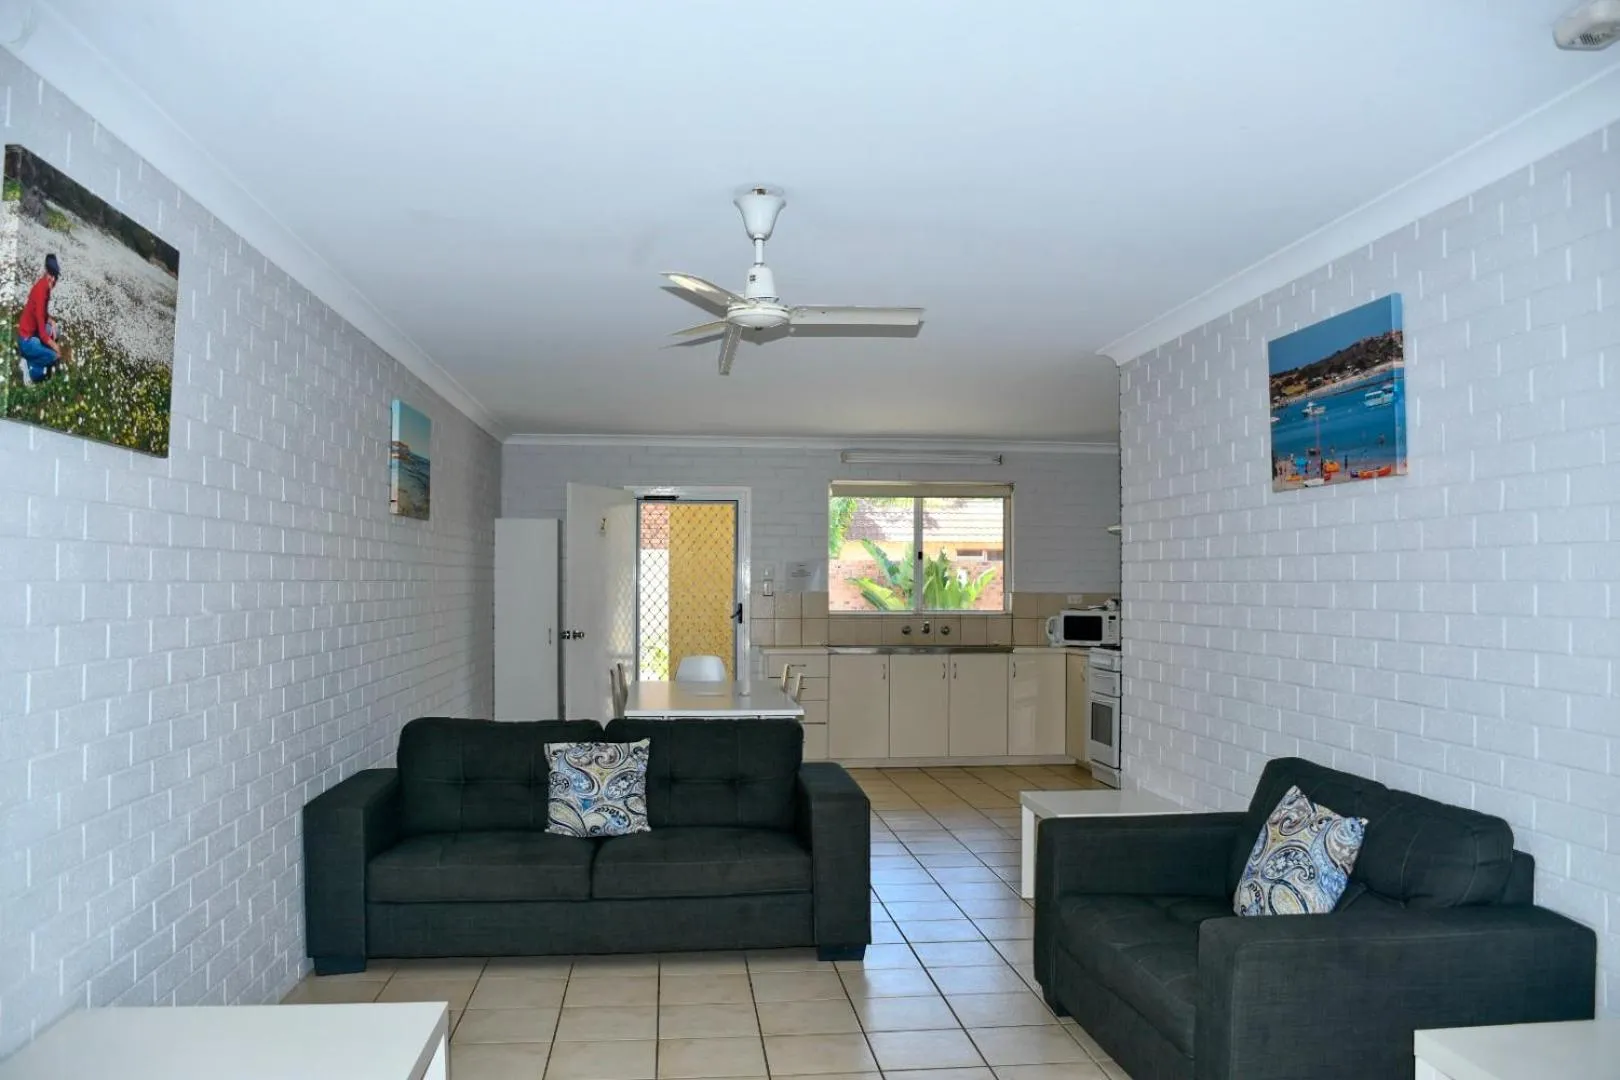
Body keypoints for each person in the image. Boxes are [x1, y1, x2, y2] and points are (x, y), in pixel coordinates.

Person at [16, 253, 61, 386]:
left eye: (55, 276)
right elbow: (42, 333)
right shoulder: (42, 292)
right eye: (51, 275)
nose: (53, 280)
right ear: (46, 272)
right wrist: (56, 348)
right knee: (53, 357)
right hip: (26, 340)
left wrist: (50, 320)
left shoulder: (44, 285)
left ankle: (32, 356)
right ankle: (29, 370)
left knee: (56, 331)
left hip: (30, 332)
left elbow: (40, 313)